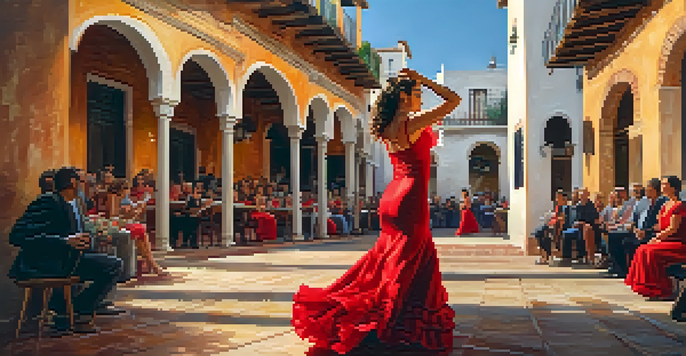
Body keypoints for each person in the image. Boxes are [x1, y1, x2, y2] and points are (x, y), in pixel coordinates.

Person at [292, 68, 460, 355]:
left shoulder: (388, 125)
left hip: (393, 195)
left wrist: (416, 84)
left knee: (388, 260)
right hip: (410, 199)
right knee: (405, 263)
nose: (420, 98)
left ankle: (394, 321)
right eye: (416, 93)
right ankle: (387, 323)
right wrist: (427, 80)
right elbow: (453, 100)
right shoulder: (413, 121)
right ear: (404, 98)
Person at [8, 167, 123, 333]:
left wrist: (83, 240)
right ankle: (79, 311)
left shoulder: (69, 203)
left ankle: (73, 312)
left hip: (63, 259)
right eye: (82, 182)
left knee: (110, 262)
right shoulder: (48, 201)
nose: (86, 187)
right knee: (113, 265)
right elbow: (17, 235)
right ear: (74, 183)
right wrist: (65, 241)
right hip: (44, 264)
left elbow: (69, 233)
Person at [625, 176, 686, 301]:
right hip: (666, 241)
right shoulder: (665, 205)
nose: (662, 187)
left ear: (673, 187)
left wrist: (657, 238)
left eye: (665, 184)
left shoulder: (680, 206)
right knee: (642, 249)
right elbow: (659, 226)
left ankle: (663, 289)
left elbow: (673, 229)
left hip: (679, 243)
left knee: (650, 251)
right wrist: (648, 233)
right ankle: (651, 288)